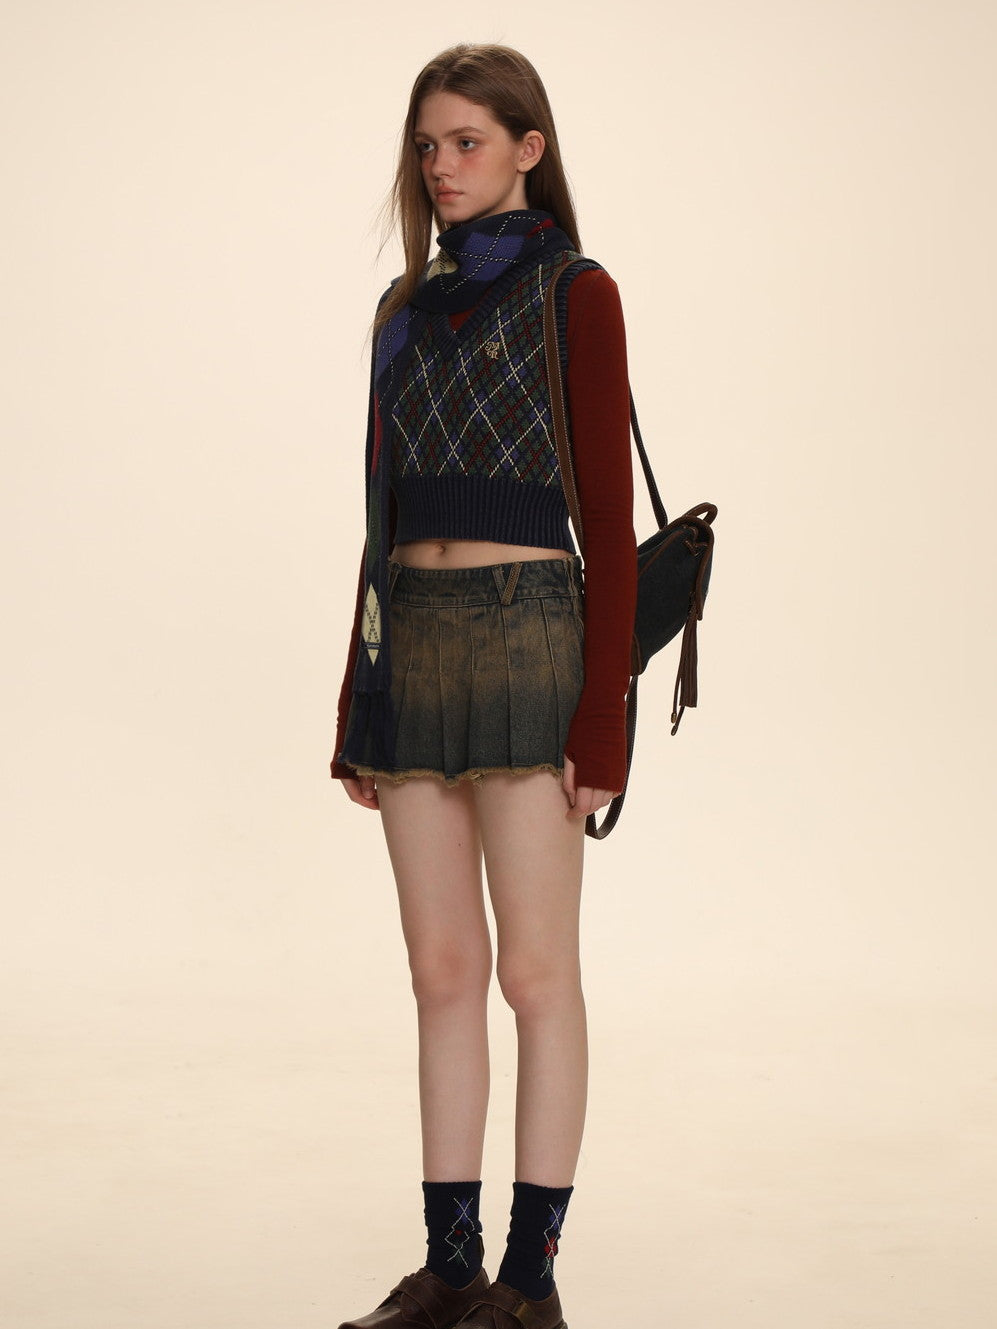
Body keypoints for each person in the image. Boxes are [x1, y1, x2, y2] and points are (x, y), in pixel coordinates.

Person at [329, 42, 637, 1329]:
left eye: (466, 141)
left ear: (528, 148)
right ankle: (451, 1269)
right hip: (412, 638)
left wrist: (602, 722)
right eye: (426, 146)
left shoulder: (578, 293)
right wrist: (355, 695)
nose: (441, 166)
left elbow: (608, 526)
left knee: (536, 976)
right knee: (442, 970)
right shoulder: (403, 310)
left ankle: (529, 1282)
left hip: (528, 635)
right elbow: (378, 516)